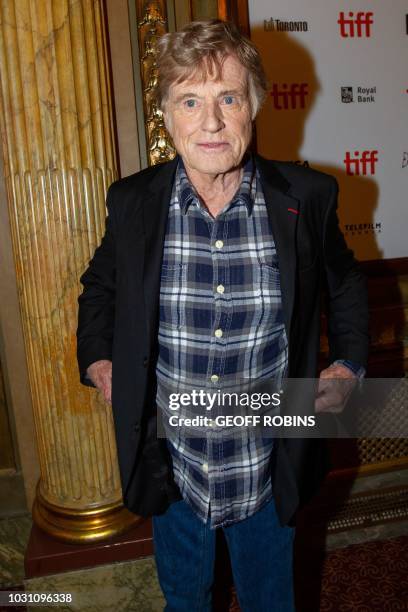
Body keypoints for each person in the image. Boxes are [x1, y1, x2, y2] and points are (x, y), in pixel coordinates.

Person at [77, 19, 369, 612]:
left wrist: (348, 362)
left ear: (254, 106)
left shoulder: (306, 199)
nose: (210, 123)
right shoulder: (132, 202)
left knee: (272, 600)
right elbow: (99, 286)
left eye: (228, 98)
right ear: (166, 114)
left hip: (269, 465)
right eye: (190, 100)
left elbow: (345, 281)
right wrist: (98, 356)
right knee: (185, 600)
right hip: (172, 466)